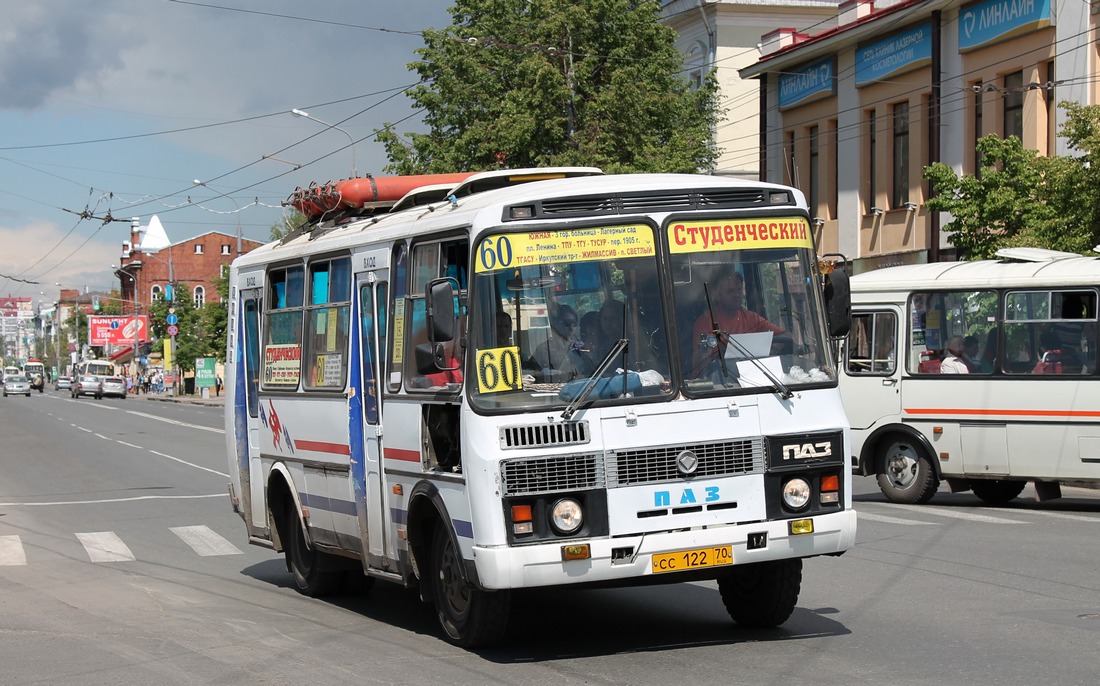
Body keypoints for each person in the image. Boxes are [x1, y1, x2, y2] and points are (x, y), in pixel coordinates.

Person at [691, 271, 783, 368]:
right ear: (717, 295)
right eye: (730, 291)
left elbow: (785, 337)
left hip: (756, 378)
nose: (736, 294)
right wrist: (707, 354)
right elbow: (699, 365)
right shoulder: (705, 322)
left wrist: (770, 345)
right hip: (721, 379)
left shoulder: (752, 318)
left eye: (739, 290)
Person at [532, 304, 588, 380]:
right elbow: (532, 374)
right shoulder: (543, 349)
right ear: (556, 323)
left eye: (574, 323)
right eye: (567, 323)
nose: (571, 327)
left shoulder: (580, 348)